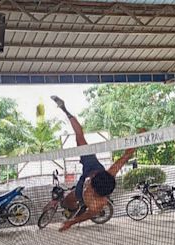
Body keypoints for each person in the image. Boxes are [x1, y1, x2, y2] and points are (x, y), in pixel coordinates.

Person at [51, 95, 135, 231]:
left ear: (94, 190)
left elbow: (88, 215)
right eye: (91, 179)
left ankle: (75, 206)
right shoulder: (109, 172)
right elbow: (127, 155)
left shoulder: (97, 204)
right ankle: (64, 109)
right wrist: (141, 138)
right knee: (80, 138)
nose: (89, 181)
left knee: (68, 202)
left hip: (81, 195)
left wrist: (71, 222)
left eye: (90, 183)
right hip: (91, 165)